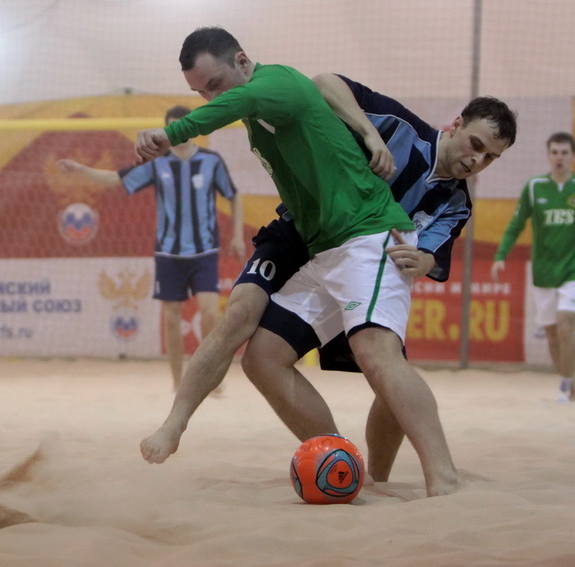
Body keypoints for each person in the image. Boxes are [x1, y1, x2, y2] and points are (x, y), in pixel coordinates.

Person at [135, 26, 515, 497]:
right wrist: (370, 133)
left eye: (490, 158)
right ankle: (341, 462)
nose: (478, 161)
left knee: (382, 363)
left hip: (367, 237)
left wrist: (422, 258)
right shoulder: (398, 126)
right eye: (477, 146)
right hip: (310, 234)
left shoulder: (456, 202)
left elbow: (432, 255)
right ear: (456, 125)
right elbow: (326, 83)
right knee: (258, 348)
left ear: (243, 62)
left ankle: (421, 479)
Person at [60, 105, 246, 390]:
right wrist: (81, 170)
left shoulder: (211, 161)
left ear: (191, 127)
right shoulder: (157, 163)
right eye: (172, 128)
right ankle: (178, 382)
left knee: (210, 314)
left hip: (205, 251)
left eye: (182, 126)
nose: (178, 133)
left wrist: (237, 236)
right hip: (168, 253)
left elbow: (233, 195)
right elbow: (116, 179)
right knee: (171, 318)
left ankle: (208, 377)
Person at [491, 132, 575, 402]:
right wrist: (501, 255)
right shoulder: (535, 187)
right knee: (552, 335)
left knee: (566, 323)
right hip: (544, 272)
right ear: (548, 155)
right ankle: (567, 380)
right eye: (555, 152)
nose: (559, 157)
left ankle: (567, 384)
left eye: (564, 152)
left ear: (572, 156)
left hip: (572, 271)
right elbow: (516, 225)